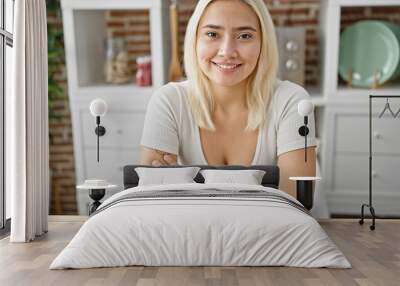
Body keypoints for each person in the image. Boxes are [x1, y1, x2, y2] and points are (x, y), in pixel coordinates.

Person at [139, 0, 316, 198]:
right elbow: (153, 201)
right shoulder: (169, 101)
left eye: (245, 36)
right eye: (212, 34)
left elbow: (293, 202)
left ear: (263, 43)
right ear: (195, 40)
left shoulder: (292, 102)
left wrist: (186, 191)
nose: (227, 52)